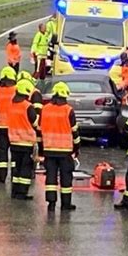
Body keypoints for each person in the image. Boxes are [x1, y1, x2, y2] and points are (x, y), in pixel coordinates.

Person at [39, 82, 80, 212]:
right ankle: (65, 204)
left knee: (50, 177)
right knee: (66, 177)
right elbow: (74, 132)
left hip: (49, 150)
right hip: (65, 151)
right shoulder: (68, 110)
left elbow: (40, 130)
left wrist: (41, 150)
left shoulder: (45, 109)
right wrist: (76, 148)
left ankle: (51, 203)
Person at [8, 79, 40, 200]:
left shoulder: (11, 105)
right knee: (25, 168)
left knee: (16, 167)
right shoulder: (28, 106)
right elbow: (35, 124)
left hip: (13, 141)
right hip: (26, 142)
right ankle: (22, 192)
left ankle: (14, 191)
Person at [0, 66, 17, 183]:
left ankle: (1, 176)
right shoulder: (17, 91)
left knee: (2, 151)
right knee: (15, 153)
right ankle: (14, 176)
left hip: (1, 126)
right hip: (15, 127)